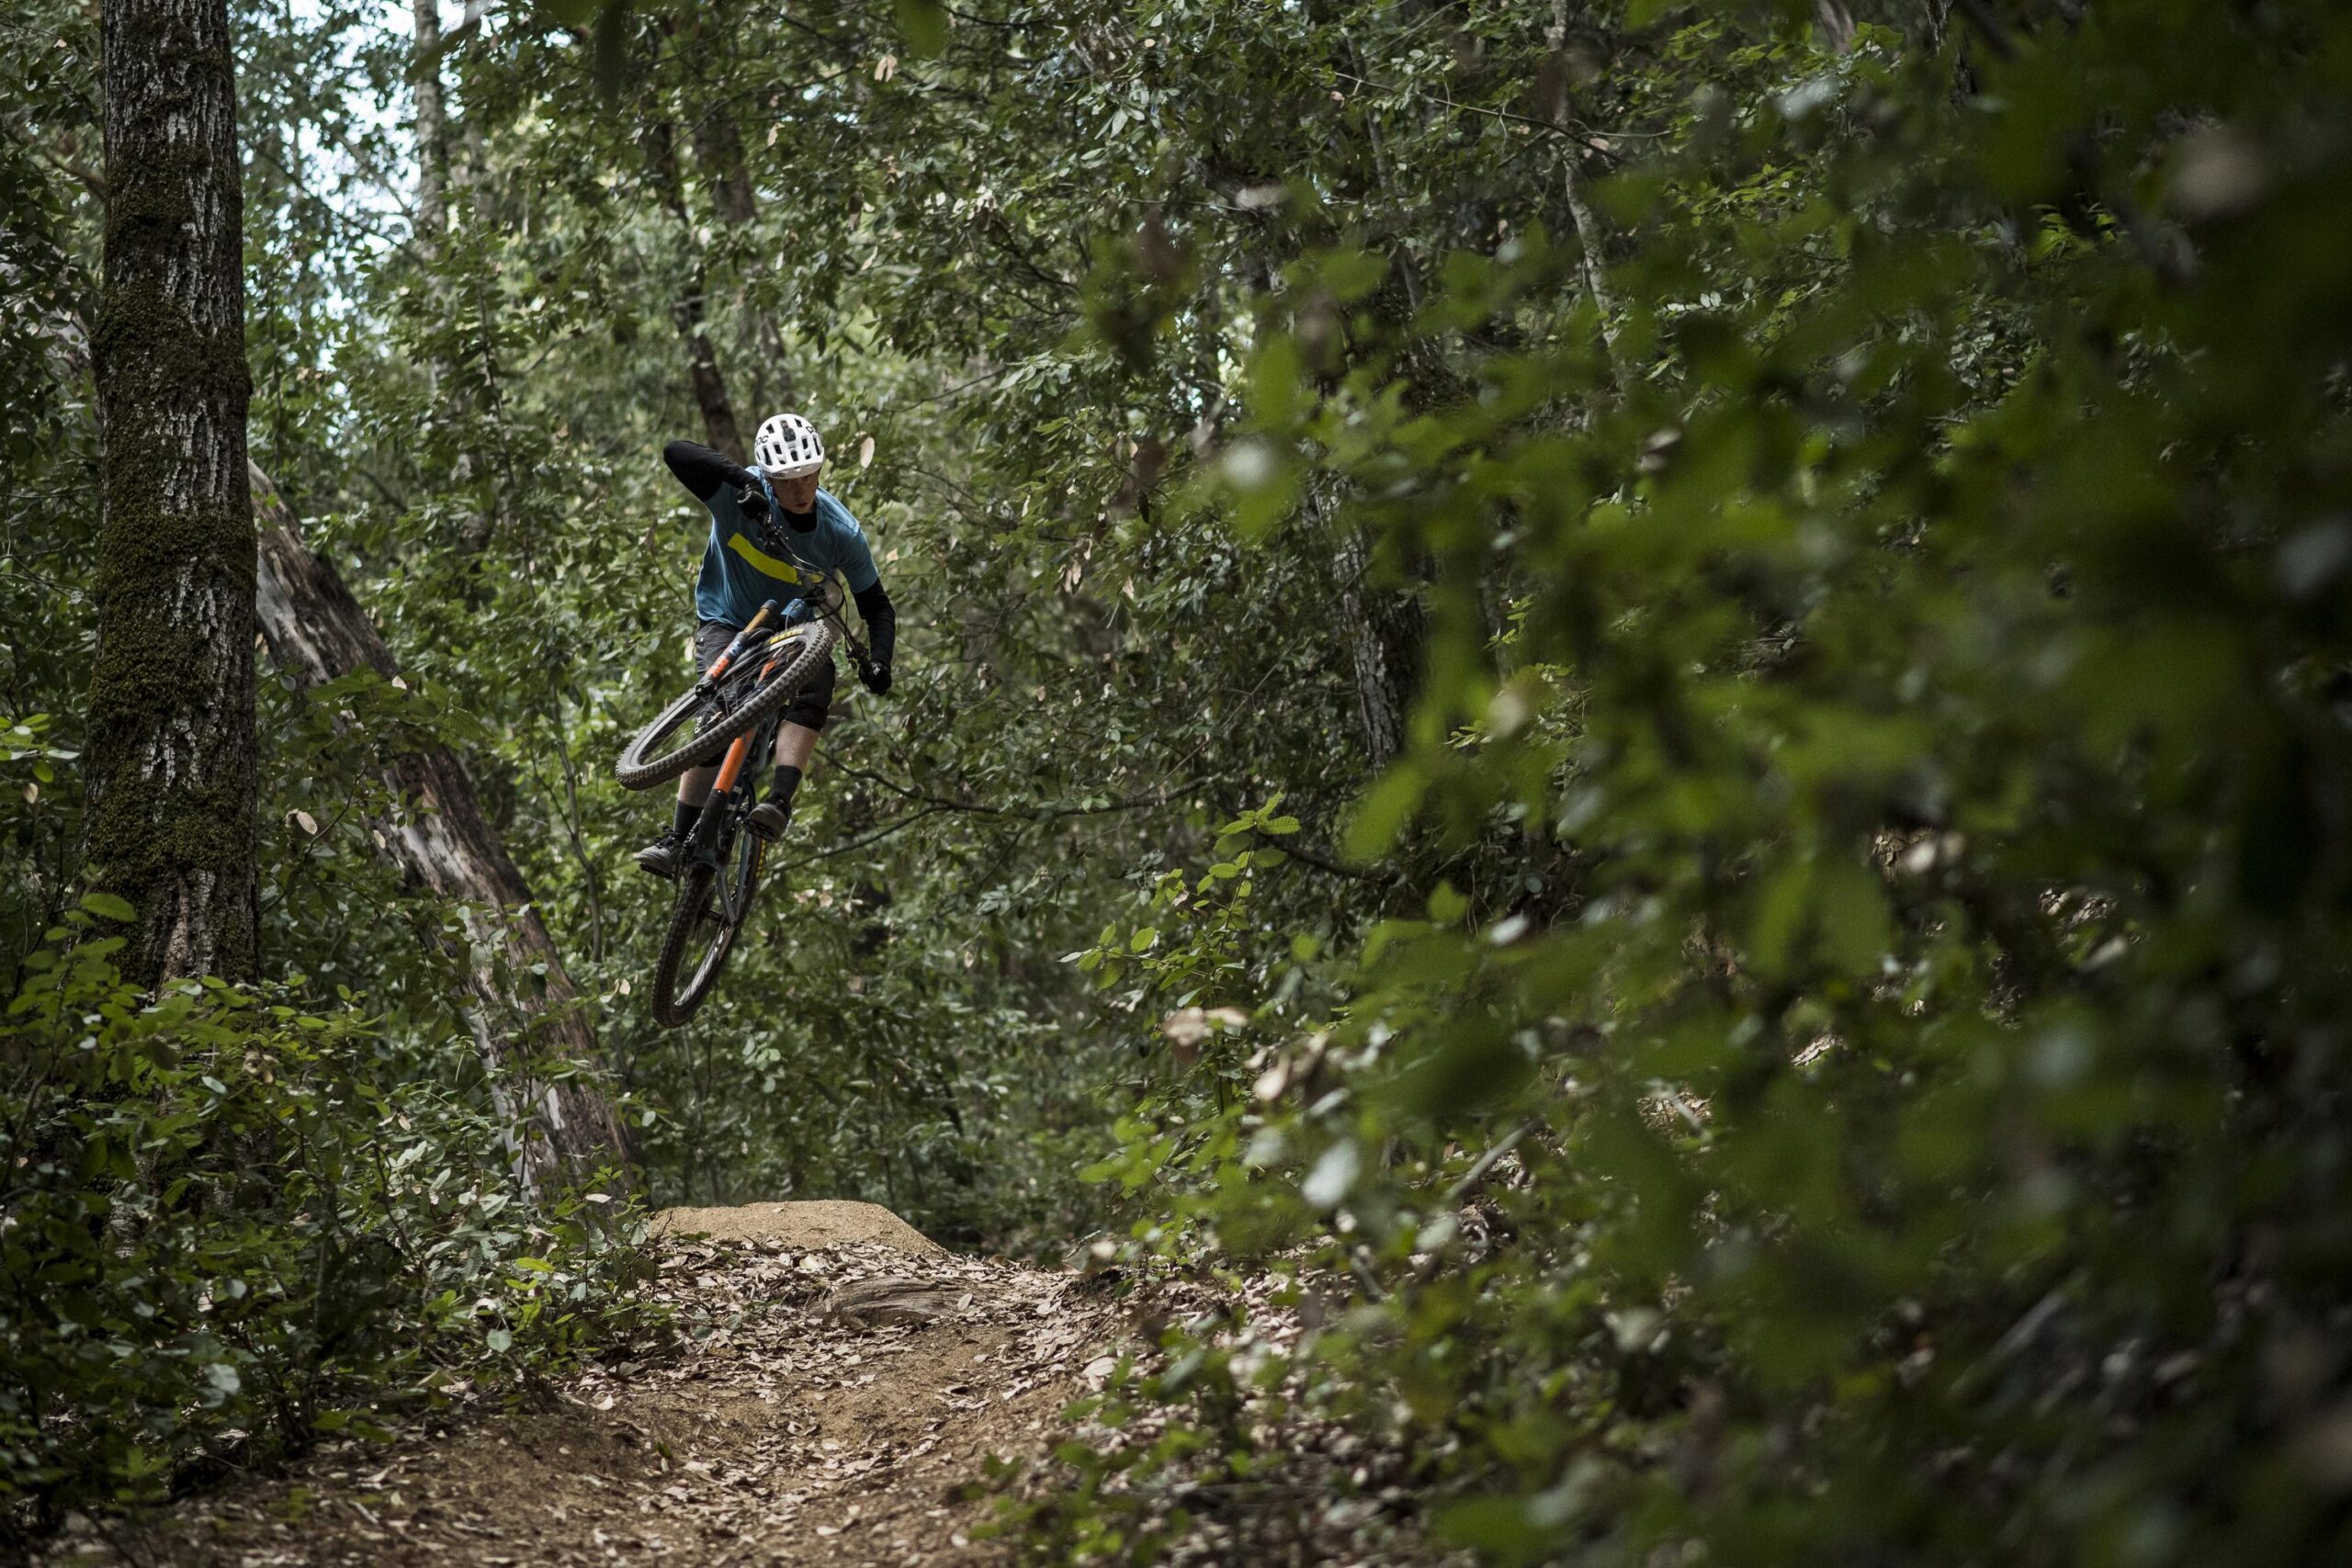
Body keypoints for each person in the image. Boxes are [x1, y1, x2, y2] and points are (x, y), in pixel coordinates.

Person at [634, 412, 896, 879]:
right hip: (725, 619)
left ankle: (778, 801)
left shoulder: (841, 531)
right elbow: (675, 450)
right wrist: (743, 481)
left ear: (819, 469)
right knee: (719, 714)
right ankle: (676, 839)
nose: (800, 490)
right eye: (786, 479)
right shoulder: (738, 496)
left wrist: (880, 661)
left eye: (808, 476)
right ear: (769, 475)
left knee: (818, 678)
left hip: (792, 628)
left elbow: (877, 606)